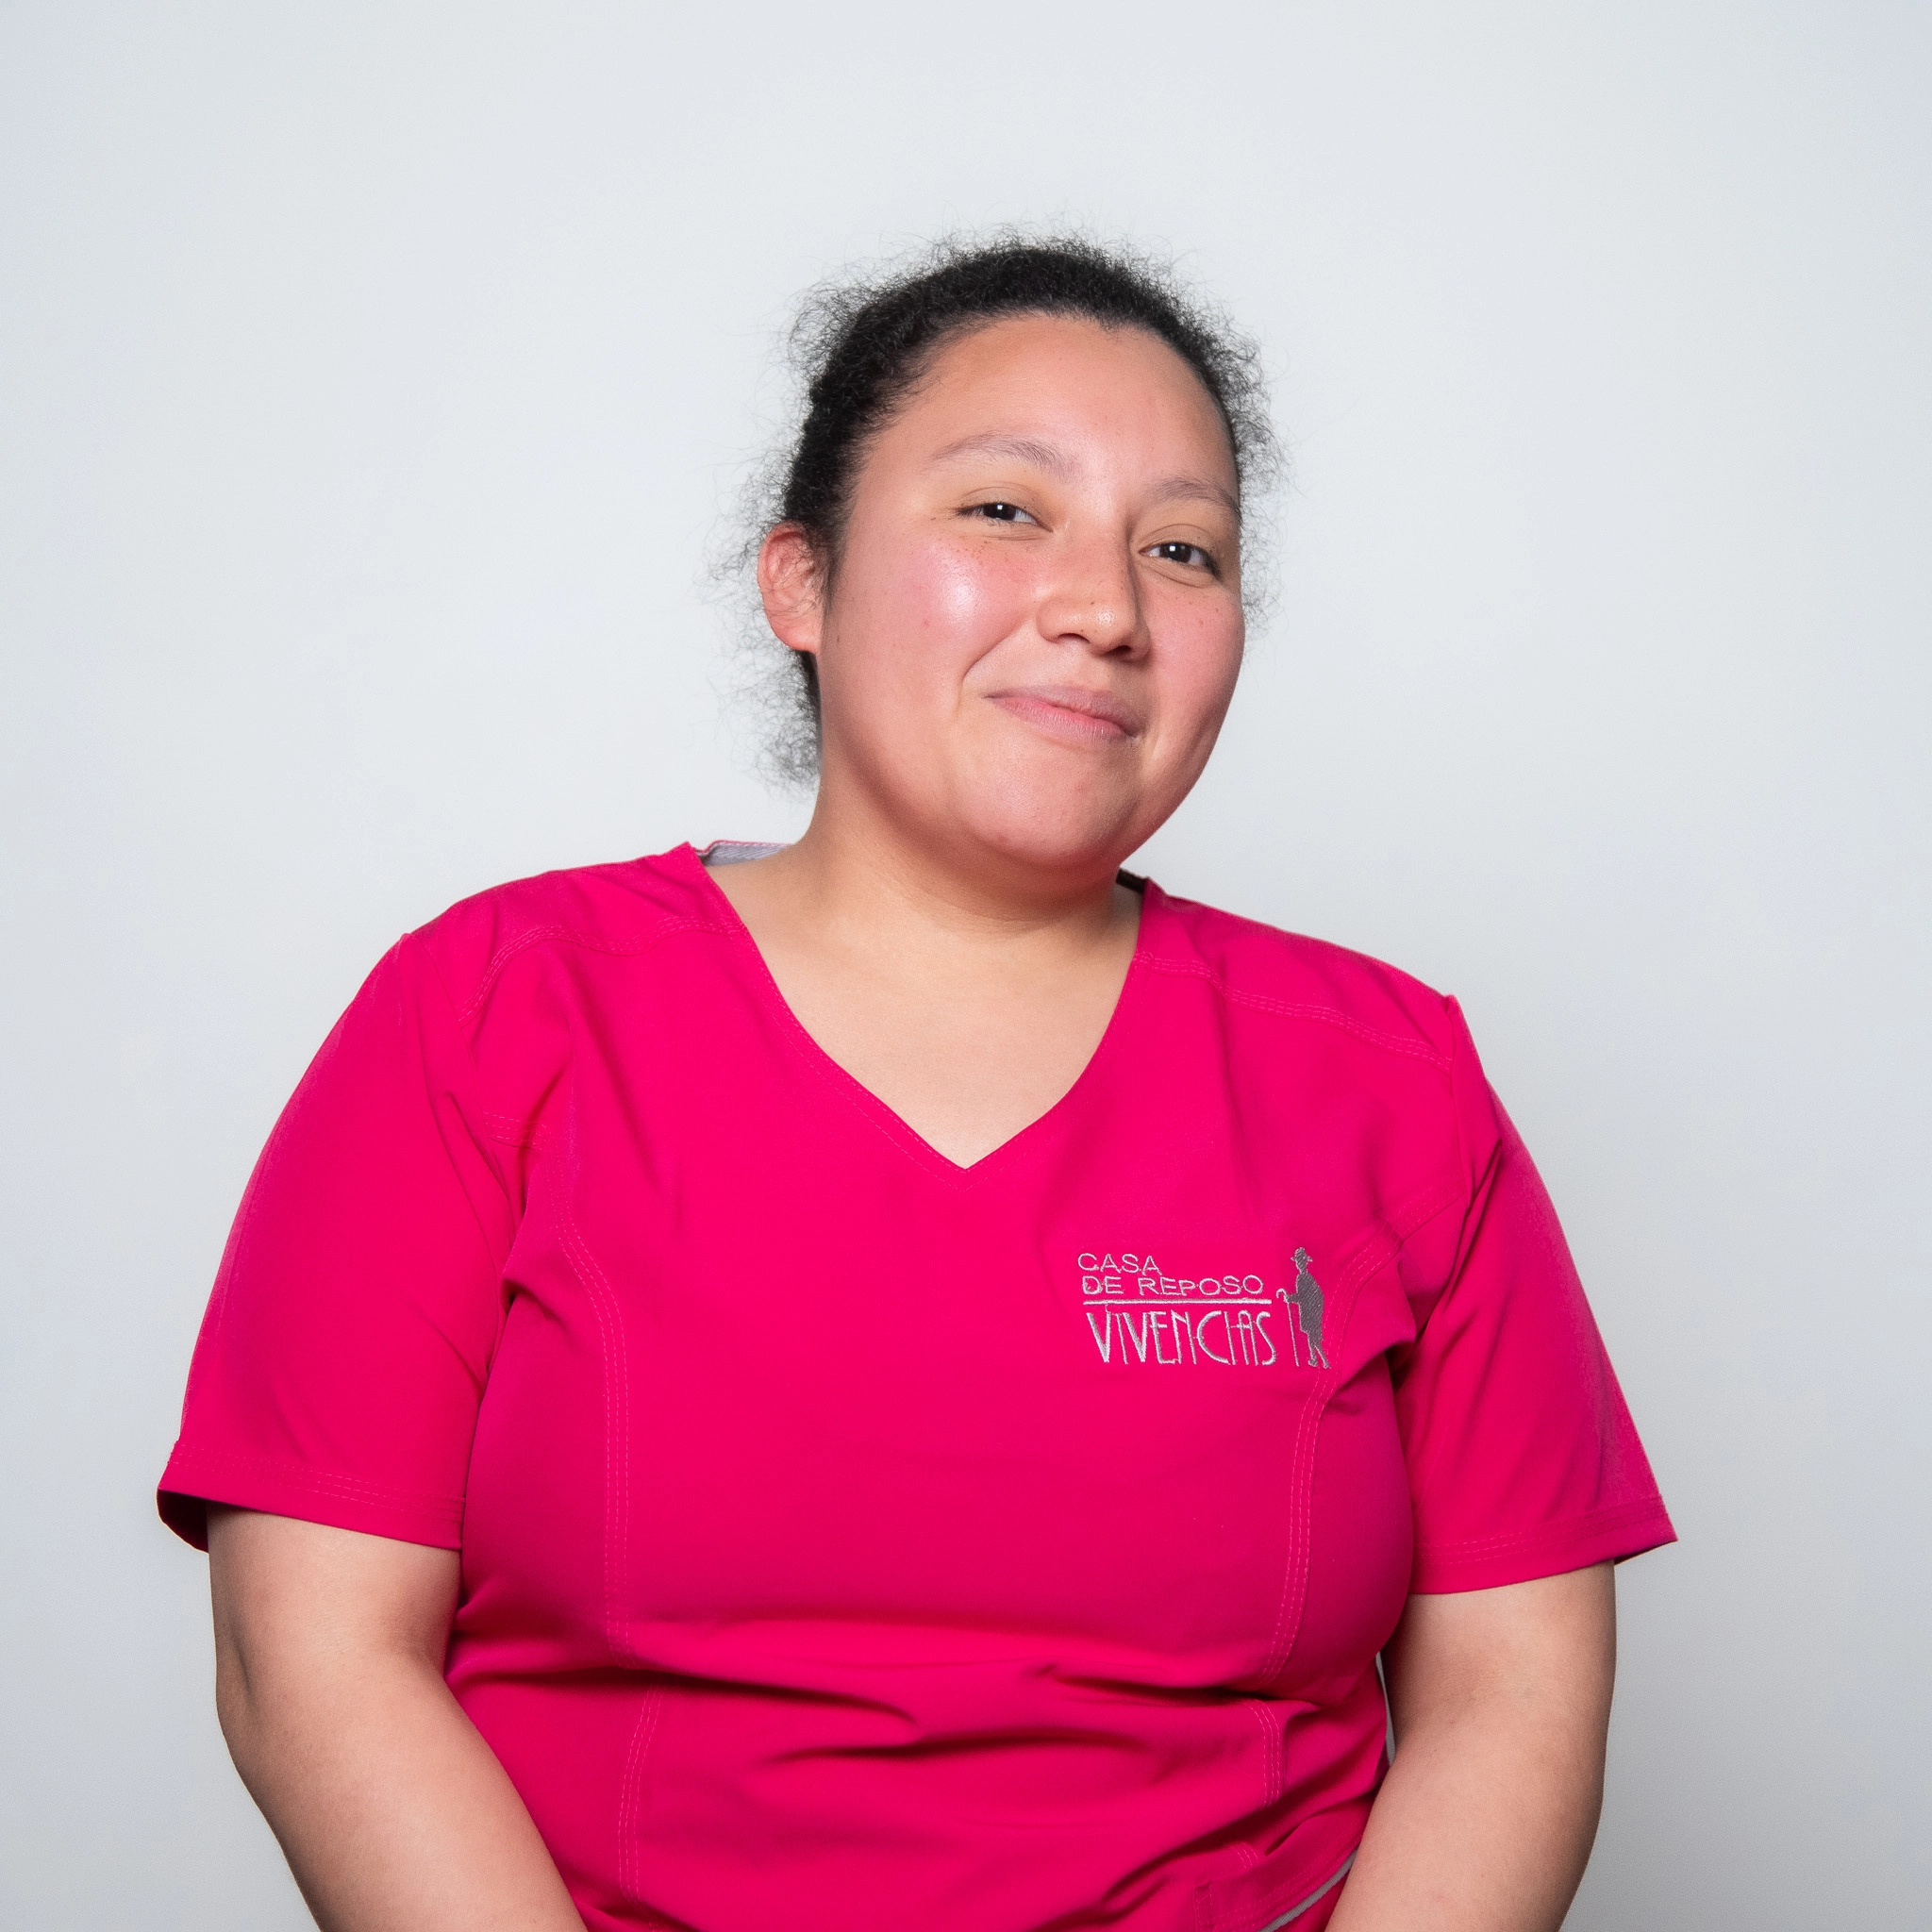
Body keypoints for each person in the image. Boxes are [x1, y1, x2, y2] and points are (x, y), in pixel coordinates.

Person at [158, 237, 1674, 1932]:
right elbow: (311, 1658)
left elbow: (1516, 1694)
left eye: (1181, 549)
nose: (1105, 609)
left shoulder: (1388, 1081)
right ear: (801, 582)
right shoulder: (493, 1013)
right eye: (1006, 510)